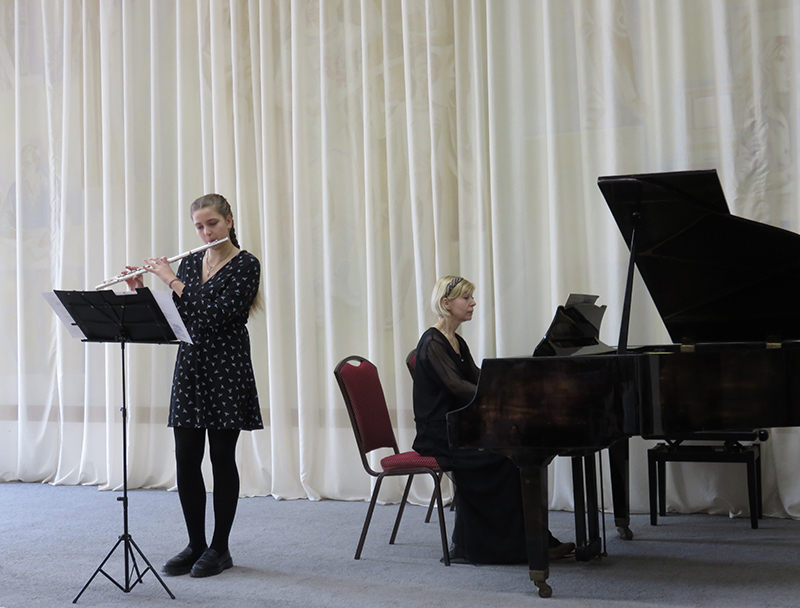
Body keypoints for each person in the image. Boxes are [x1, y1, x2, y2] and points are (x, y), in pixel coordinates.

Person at [124, 193, 262, 578]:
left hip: (227, 366)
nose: (206, 233)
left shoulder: (246, 264)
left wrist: (170, 278)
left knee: (221, 457)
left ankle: (220, 548)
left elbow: (215, 313)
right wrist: (141, 290)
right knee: (186, 458)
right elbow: (178, 318)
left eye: (212, 224)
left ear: (229, 221)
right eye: (199, 227)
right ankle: (195, 544)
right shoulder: (189, 263)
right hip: (191, 366)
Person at [412, 275, 574, 564]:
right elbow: (458, 388)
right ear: (446, 303)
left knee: (514, 454)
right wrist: (503, 399)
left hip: (460, 428)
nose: (473, 303)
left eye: (472, 297)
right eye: (466, 298)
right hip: (440, 435)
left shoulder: (456, 341)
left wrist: (513, 387)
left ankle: (532, 541)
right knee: (505, 459)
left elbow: (478, 377)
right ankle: (501, 547)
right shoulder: (432, 343)